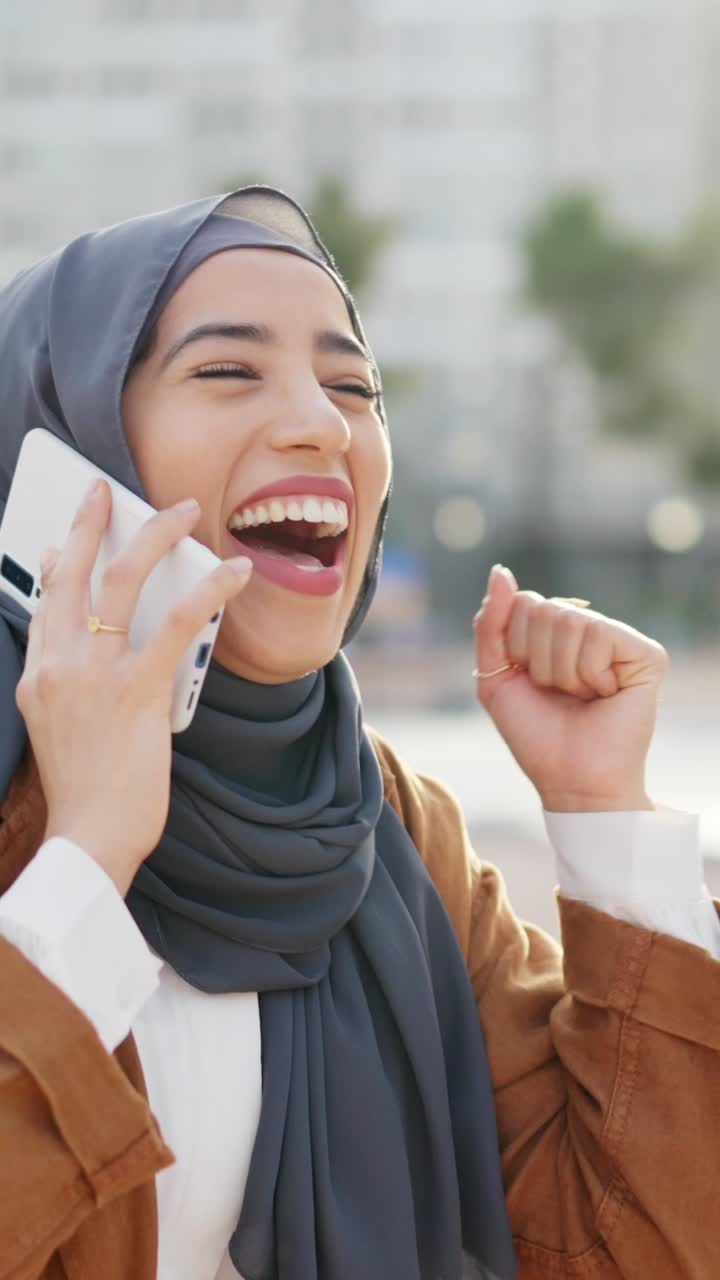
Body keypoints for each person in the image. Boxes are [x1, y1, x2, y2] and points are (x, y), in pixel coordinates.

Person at [0, 187, 717, 1280]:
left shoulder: (385, 829)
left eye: (353, 387)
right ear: (70, 453)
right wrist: (86, 855)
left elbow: (641, 1248)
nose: (323, 425)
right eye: (228, 370)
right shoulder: (26, 815)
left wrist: (603, 810)